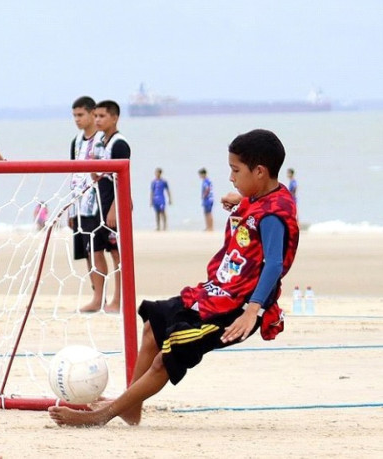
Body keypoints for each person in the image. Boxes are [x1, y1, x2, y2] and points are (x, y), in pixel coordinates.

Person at [49, 128, 299, 428]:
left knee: (166, 357)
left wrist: (252, 310)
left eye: (235, 170)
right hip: (215, 293)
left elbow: (273, 264)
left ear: (259, 171)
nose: (231, 177)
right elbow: (257, 210)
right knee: (153, 326)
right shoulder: (261, 197)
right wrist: (242, 200)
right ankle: (130, 407)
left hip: (237, 309)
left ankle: (103, 415)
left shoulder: (274, 214)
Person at [67, 96, 112, 313]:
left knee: (99, 250)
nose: (77, 119)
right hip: (80, 203)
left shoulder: (103, 140)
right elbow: (73, 174)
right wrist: (71, 207)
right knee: (87, 251)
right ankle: (96, 294)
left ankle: (101, 297)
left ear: (92, 113)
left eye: (80, 115)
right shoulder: (76, 141)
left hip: (98, 204)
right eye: (74, 115)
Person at [89, 100, 131, 313]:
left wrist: (115, 207)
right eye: (95, 116)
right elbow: (103, 174)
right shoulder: (99, 142)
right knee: (96, 250)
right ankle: (99, 297)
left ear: (114, 118)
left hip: (114, 203)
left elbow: (122, 178)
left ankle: (119, 300)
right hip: (100, 202)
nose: (97, 120)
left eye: (102, 116)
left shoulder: (119, 143)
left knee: (117, 254)